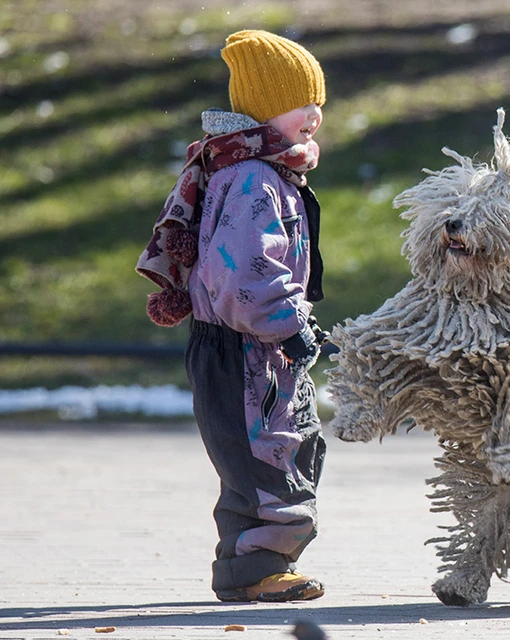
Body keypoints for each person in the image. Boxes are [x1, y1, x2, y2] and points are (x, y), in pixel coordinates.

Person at [136, 29, 329, 602]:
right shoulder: (252, 179)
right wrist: (286, 322)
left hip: (257, 342)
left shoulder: (264, 170)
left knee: (288, 446)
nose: (315, 114)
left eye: (319, 100)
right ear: (266, 108)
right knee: (266, 457)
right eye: (302, 101)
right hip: (244, 345)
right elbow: (243, 271)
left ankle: (251, 561)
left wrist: (294, 324)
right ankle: (252, 569)